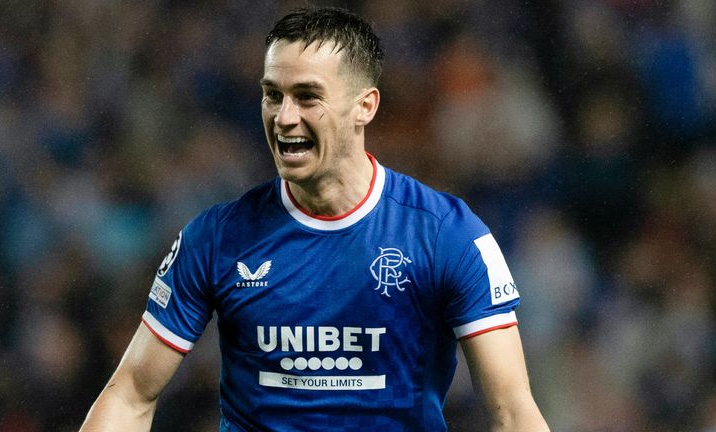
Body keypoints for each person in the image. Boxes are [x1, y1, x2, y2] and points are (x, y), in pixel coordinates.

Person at [80, 6, 550, 431]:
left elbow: (512, 410)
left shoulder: (447, 234)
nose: (284, 117)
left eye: (307, 96)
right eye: (273, 95)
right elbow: (131, 395)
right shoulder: (216, 238)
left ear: (365, 106)